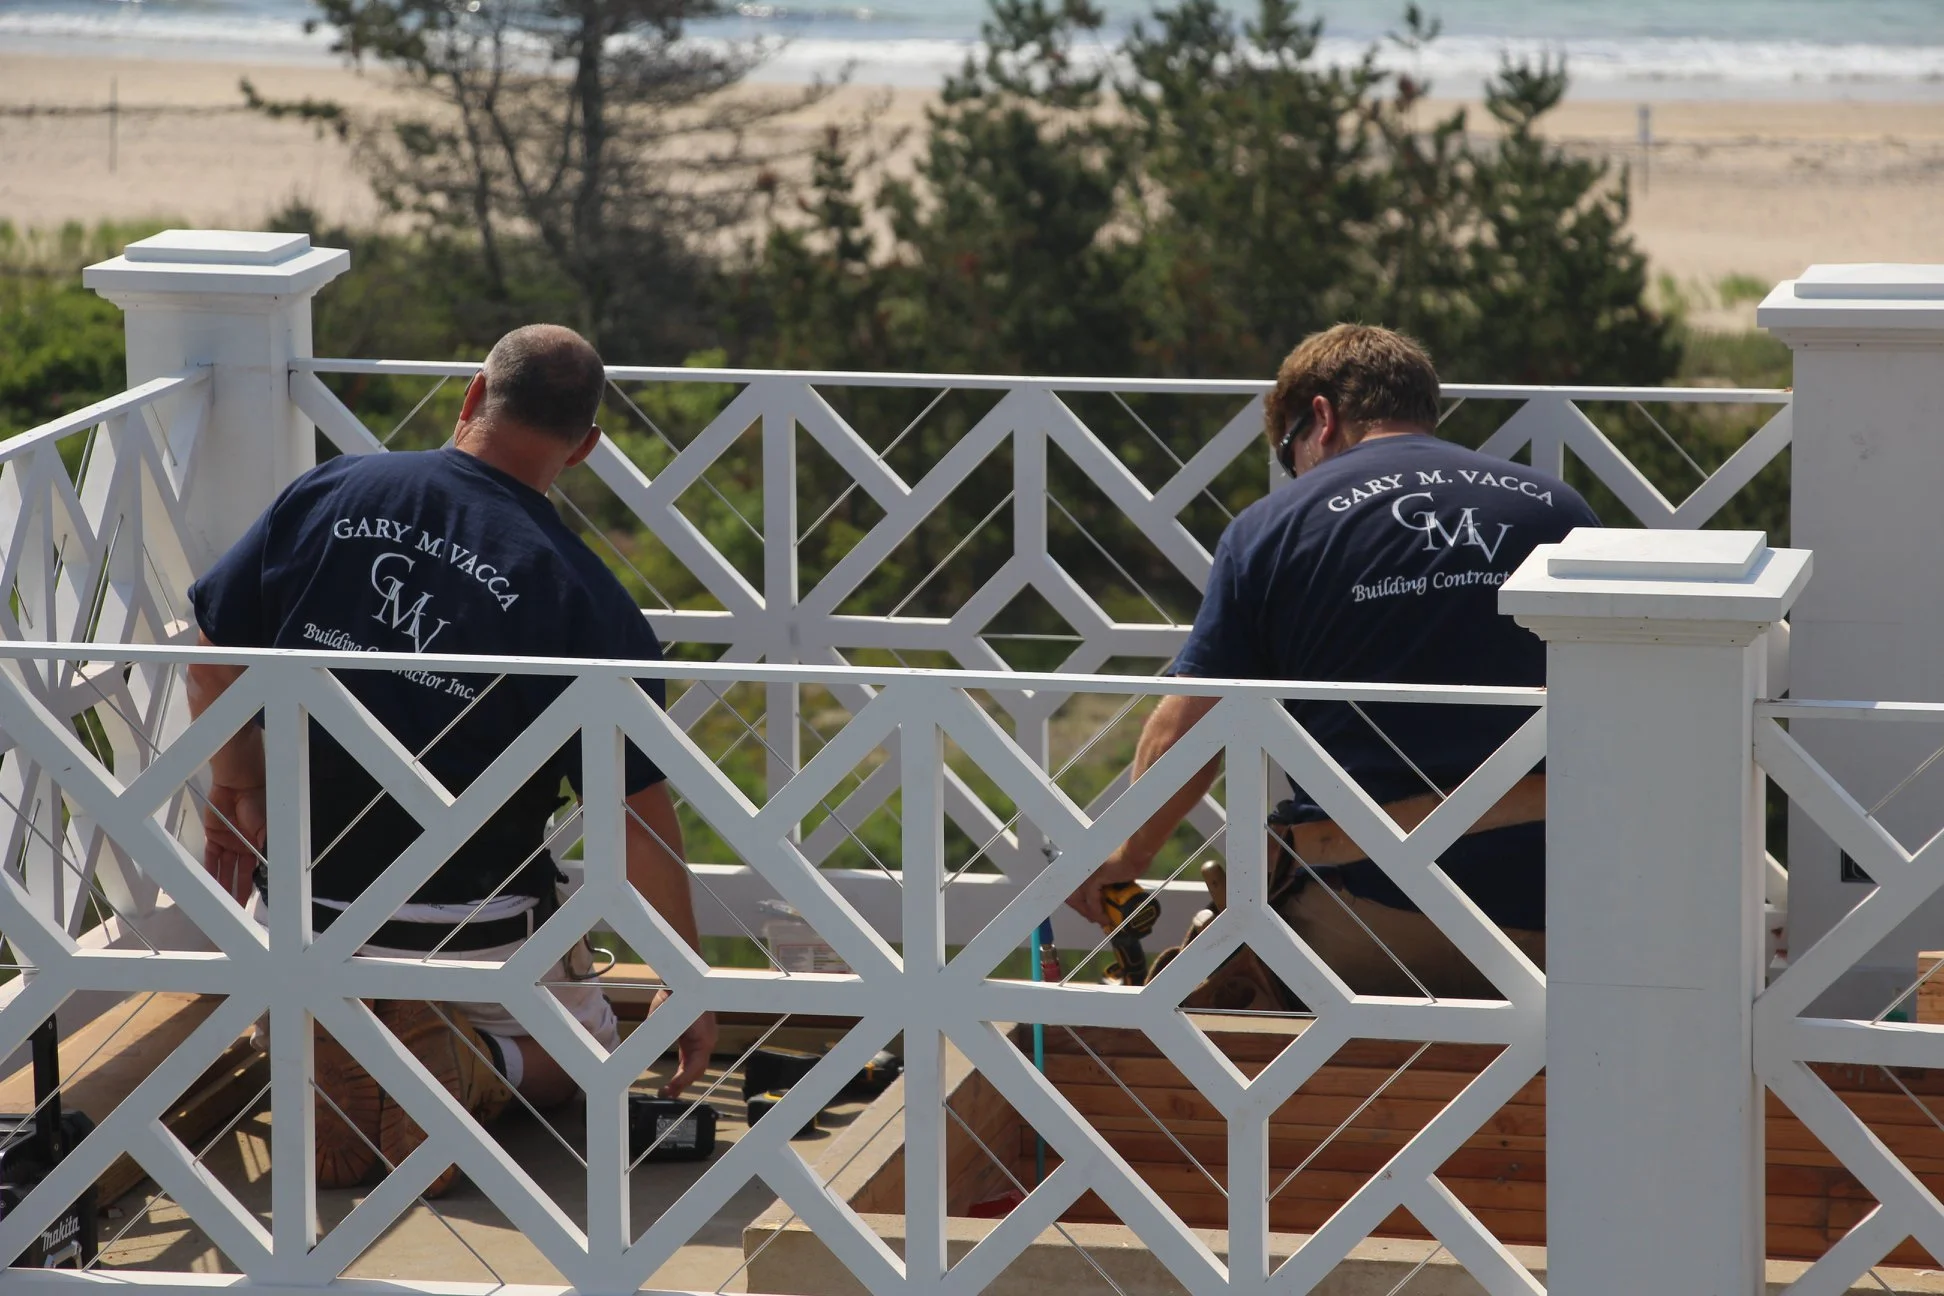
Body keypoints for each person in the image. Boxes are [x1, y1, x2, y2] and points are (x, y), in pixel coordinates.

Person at [185, 323, 716, 1194]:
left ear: (473, 395)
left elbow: (210, 656)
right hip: (469, 929)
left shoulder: (331, 490)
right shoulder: (580, 594)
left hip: (303, 906)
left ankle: (337, 1046)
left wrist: (235, 786)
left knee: (316, 974)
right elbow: (632, 813)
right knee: (593, 1051)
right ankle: (473, 1069)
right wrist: (682, 979)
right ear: (584, 447)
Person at [1067, 324, 1598, 998]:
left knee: (1190, 1027)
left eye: (1290, 452)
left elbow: (1188, 725)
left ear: (1321, 417)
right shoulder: (1558, 509)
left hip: (1366, 928)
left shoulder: (1271, 527)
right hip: (1563, 923)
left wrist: (1124, 855)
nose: (1293, 471)